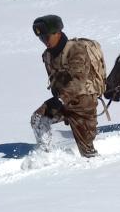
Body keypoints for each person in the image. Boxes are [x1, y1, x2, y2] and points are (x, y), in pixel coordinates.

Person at [30, 14, 104, 158]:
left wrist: (61, 99)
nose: (44, 41)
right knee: (38, 119)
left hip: (83, 102)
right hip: (62, 101)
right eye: (41, 38)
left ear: (58, 33)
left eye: (46, 37)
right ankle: (44, 154)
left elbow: (79, 80)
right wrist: (59, 100)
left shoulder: (76, 50)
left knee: (87, 152)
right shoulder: (47, 55)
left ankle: (96, 170)